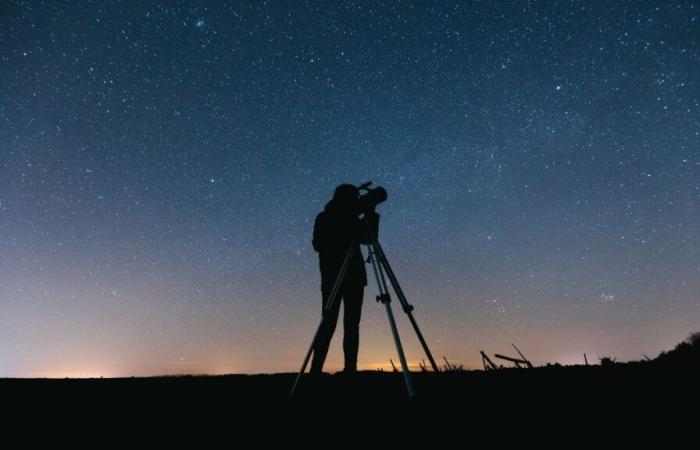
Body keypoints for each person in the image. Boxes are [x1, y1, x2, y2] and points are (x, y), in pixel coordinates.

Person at [310, 184, 368, 374]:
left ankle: (350, 369)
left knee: (352, 325)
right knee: (328, 323)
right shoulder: (325, 217)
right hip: (332, 277)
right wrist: (344, 227)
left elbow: (368, 238)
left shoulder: (352, 218)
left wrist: (371, 214)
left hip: (354, 278)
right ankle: (315, 369)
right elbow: (318, 244)